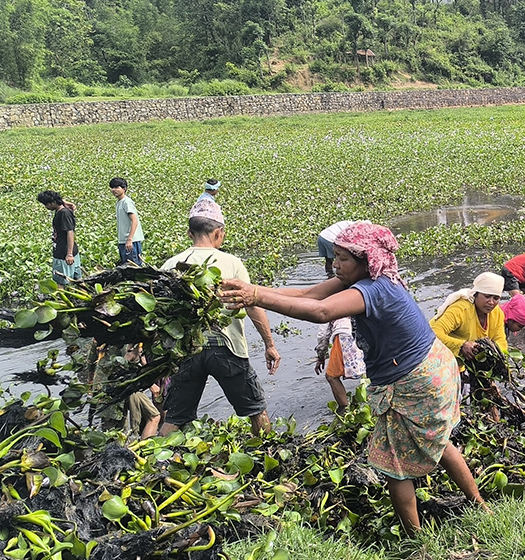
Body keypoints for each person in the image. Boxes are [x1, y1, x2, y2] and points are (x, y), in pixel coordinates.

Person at [218, 222, 487, 532]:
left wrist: (256, 296)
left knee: (395, 467)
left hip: (415, 380)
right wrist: (250, 292)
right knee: (439, 443)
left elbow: (320, 312)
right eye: (335, 256)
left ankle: (417, 541)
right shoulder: (374, 278)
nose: (335, 265)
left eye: (343, 259)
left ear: (366, 260)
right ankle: (479, 504)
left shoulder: (375, 289)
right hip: (432, 366)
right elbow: (308, 293)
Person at [159, 199, 281, 436]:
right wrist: (270, 344)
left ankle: (157, 465)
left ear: (189, 233)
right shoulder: (232, 263)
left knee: (175, 416)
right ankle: (268, 457)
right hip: (227, 349)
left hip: (186, 351)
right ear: (218, 232)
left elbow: (162, 314)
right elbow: (253, 305)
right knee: (256, 410)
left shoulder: (171, 264)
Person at [429, 272, 509, 360]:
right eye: (487, 296)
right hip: (437, 353)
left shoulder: (496, 313)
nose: (491, 302)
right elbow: (433, 333)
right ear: (476, 294)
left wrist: (497, 355)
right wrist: (462, 345)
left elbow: (500, 339)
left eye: (496, 298)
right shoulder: (461, 309)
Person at [314, 316, 365, 413]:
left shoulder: (327, 303)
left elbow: (323, 334)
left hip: (344, 335)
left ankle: (344, 409)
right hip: (362, 331)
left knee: (331, 376)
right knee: (370, 368)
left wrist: (321, 356)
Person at [38, 190, 82, 286]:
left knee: (60, 282)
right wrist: (64, 201)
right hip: (67, 251)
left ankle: (60, 300)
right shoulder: (61, 210)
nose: (46, 207)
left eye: (46, 204)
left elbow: (70, 232)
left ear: (53, 203)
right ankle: (87, 295)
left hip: (63, 253)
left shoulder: (63, 214)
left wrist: (69, 254)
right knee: (78, 279)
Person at [110, 177, 145, 266]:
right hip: (123, 241)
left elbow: (134, 221)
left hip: (130, 241)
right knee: (126, 268)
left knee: (133, 268)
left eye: (117, 187)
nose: (114, 190)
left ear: (124, 188)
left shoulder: (127, 202)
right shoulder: (119, 202)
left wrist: (129, 239)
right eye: (112, 188)